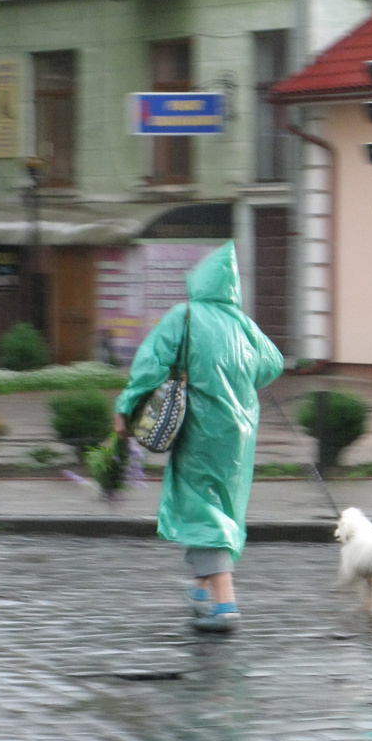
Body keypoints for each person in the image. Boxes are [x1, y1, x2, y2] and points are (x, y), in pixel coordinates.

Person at [114, 242, 283, 631]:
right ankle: (201, 591)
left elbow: (149, 365)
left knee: (202, 509)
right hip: (239, 434)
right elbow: (271, 362)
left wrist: (126, 407)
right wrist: (239, 379)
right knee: (218, 507)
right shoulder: (243, 323)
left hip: (200, 431)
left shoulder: (184, 316)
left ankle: (226, 606)